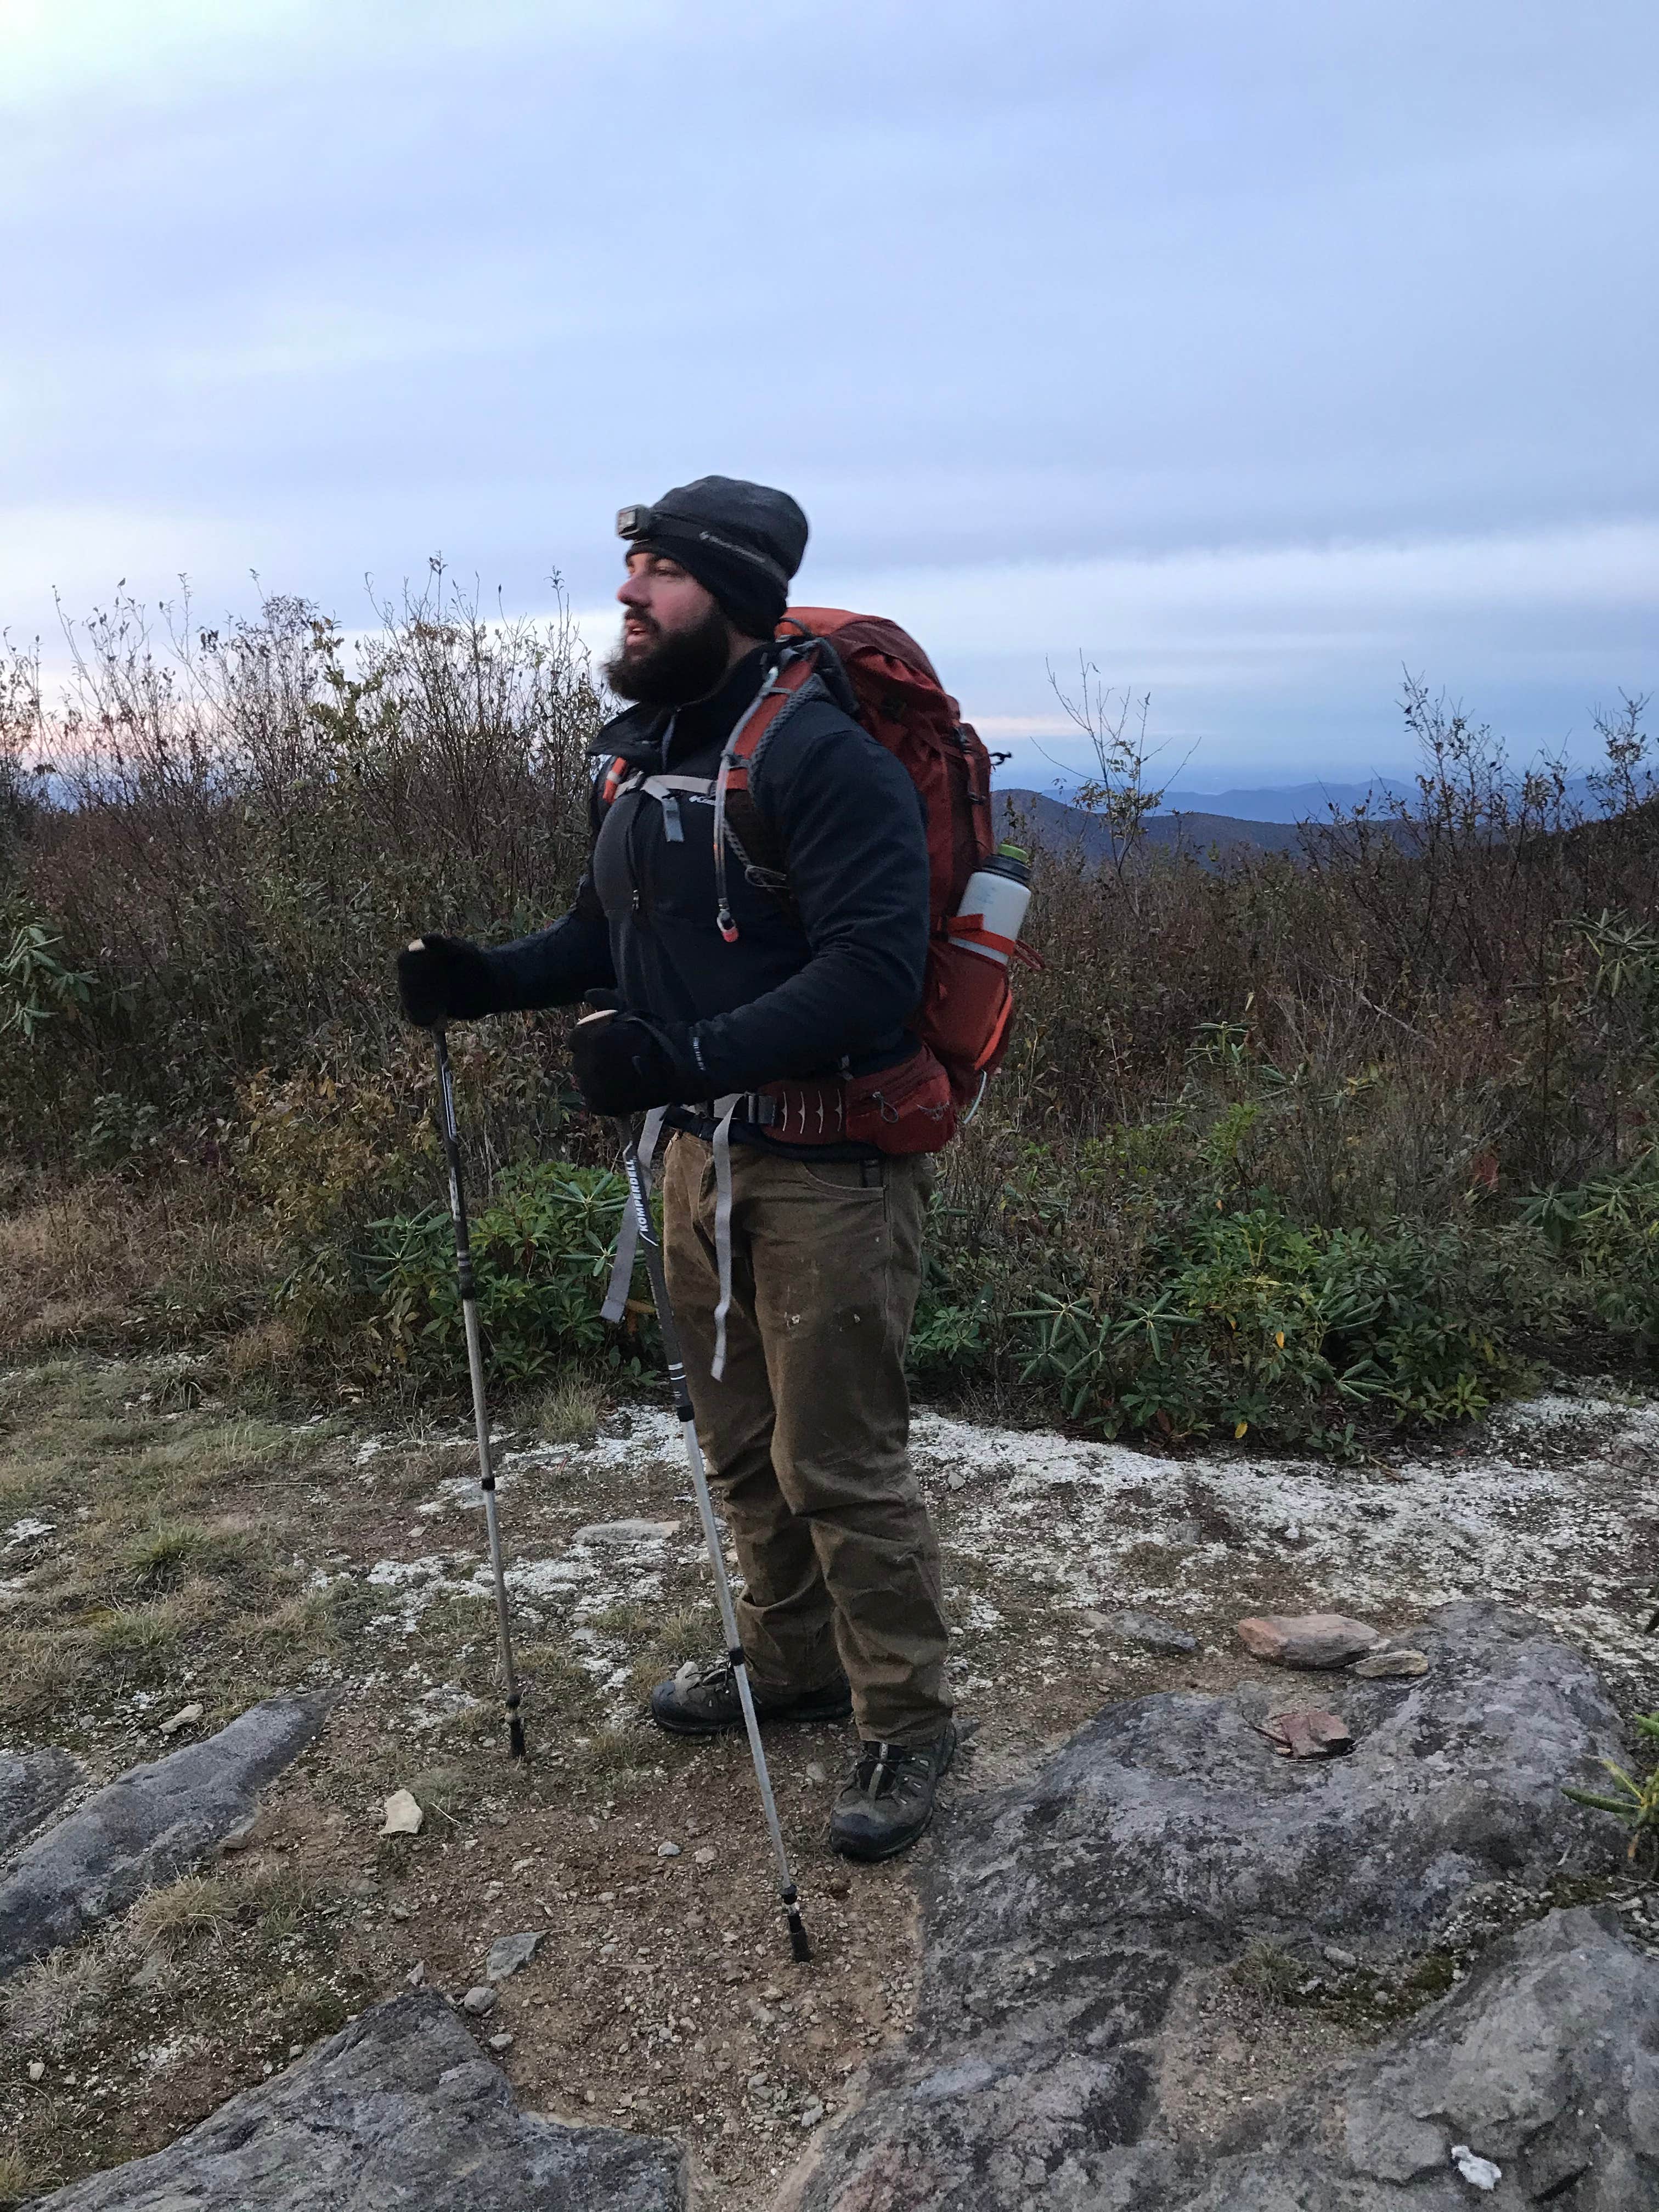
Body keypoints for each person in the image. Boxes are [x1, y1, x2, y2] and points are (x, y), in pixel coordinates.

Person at [397, 476, 955, 1860]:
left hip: (828, 1171)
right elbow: (607, 935)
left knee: (840, 1459)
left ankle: (910, 1717)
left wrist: (676, 1055)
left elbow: (875, 982)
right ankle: (791, 1668)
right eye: (631, 564)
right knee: (740, 1446)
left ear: (738, 598)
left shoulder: (829, 763)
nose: (632, 590)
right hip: (700, 1165)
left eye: (662, 570)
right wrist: (485, 978)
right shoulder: (640, 752)